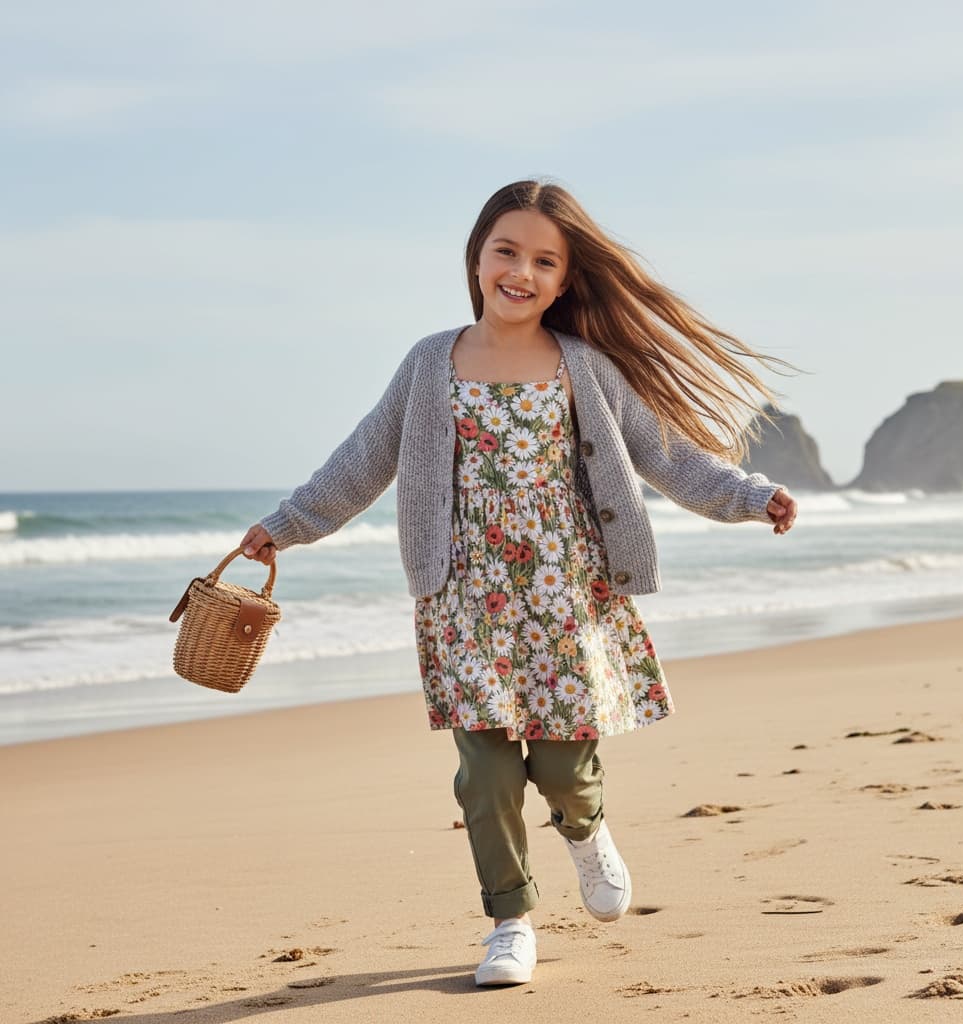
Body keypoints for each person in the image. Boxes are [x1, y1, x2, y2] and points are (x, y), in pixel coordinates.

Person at [240, 179, 798, 987]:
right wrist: (286, 524)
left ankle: (586, 828)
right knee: (487, 773)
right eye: (506, 251)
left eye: (544, 261)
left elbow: (665, 454)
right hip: (464, 598)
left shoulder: (586, 366)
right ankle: (511, 921)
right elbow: (362, 462)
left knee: (566, 768)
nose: (521, 272)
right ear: (476, 258)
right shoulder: (430, 362)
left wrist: (750, 496)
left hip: (568, 598)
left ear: (565, 281)